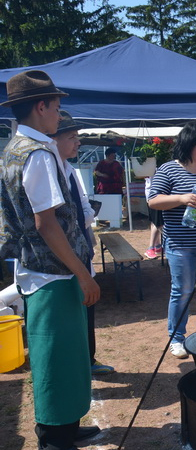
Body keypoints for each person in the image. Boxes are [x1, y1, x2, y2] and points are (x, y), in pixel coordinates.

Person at [0, 70, 101, 450]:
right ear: (40, 107)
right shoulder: (38, 154)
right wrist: (84, 275)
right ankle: (56, 437)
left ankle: (66, 425)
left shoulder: (14, 148)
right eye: (57, 108)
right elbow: (47, 225)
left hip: (39, 270)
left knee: (66, 354)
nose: (60, 116)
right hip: (52, 274)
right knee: (55, 357)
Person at [148, 122, 196, 359]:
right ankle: (177, 338)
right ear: (188, 146)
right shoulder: (168, 170)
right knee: (182, 291)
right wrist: (181, 198)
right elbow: (153, 201)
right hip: (181, 245)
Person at [50, 110, 115, 376]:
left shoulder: (70, 170)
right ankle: (75, 364)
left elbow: (84, 208)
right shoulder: (50, 168)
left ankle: (88, 357)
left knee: (87, 310)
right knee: (70, 312)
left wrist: (88, 218)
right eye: (72, 137)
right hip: (62, 256)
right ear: (54, 140)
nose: (78, 143)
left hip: (81, 246)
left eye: (78, 137)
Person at [144, 175, 163, 259]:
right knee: (157, 222)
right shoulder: (151, 165)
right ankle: (150, 248)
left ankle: (157, 246)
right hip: (155, 195)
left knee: (155, 221)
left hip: (158, 195)